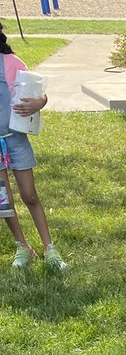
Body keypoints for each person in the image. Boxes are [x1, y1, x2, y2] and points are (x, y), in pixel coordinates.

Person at [0, 24, 66, 270]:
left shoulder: (10, 63)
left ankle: (50, 249)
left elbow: (40, 94)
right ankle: (22, 246)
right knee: (4, 200)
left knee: (30, 195)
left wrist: (39, 102)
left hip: (15, 140)